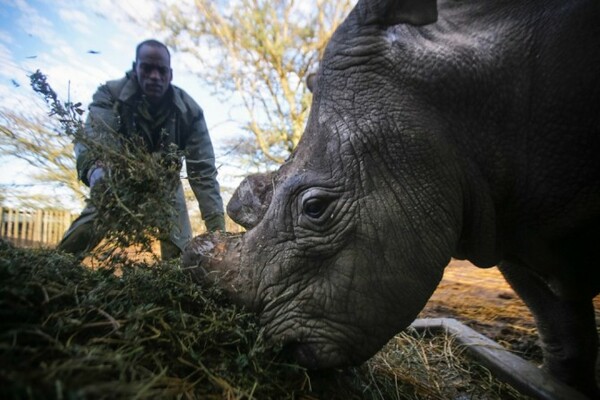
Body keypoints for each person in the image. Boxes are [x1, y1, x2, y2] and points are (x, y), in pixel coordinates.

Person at [58, 39, 225, 260]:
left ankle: (175, 283)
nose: (154, 76)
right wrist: (98, 173)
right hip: (118, 177)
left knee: (180, 253)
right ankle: (57, 266)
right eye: (147, 68)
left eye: (161, 70)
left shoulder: (189, 112)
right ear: (136, 68)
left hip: (166, 182)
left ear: (170, 74)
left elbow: (202, 172)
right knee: (93, 219)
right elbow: (95, 139)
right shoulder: (110, 95)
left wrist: (217, 230)